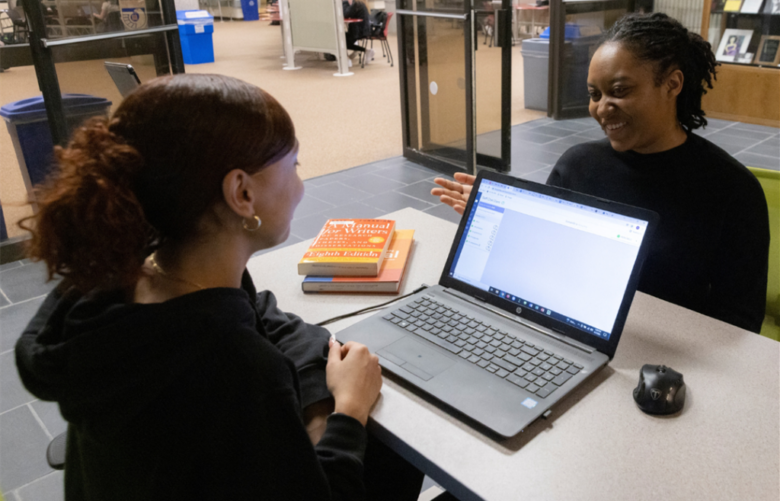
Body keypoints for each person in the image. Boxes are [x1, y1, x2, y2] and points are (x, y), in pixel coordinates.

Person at [15, 74, 422, 500]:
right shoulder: (237, 369)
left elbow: (255, 310)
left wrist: (316, 401)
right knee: (399, 453)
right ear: (241, 193)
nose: (300, 188)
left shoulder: (123, 281)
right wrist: (348, 411)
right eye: (294, 166)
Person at [431, 13, 770, 334]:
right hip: (576, 337)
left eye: (620, 91)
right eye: (594, 94)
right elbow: (549, 262)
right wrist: (505, 222)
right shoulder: (577, 165)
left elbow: (740, 322)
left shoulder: (732, 190)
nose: (601, 108)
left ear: (672, 84)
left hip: (668, 361)